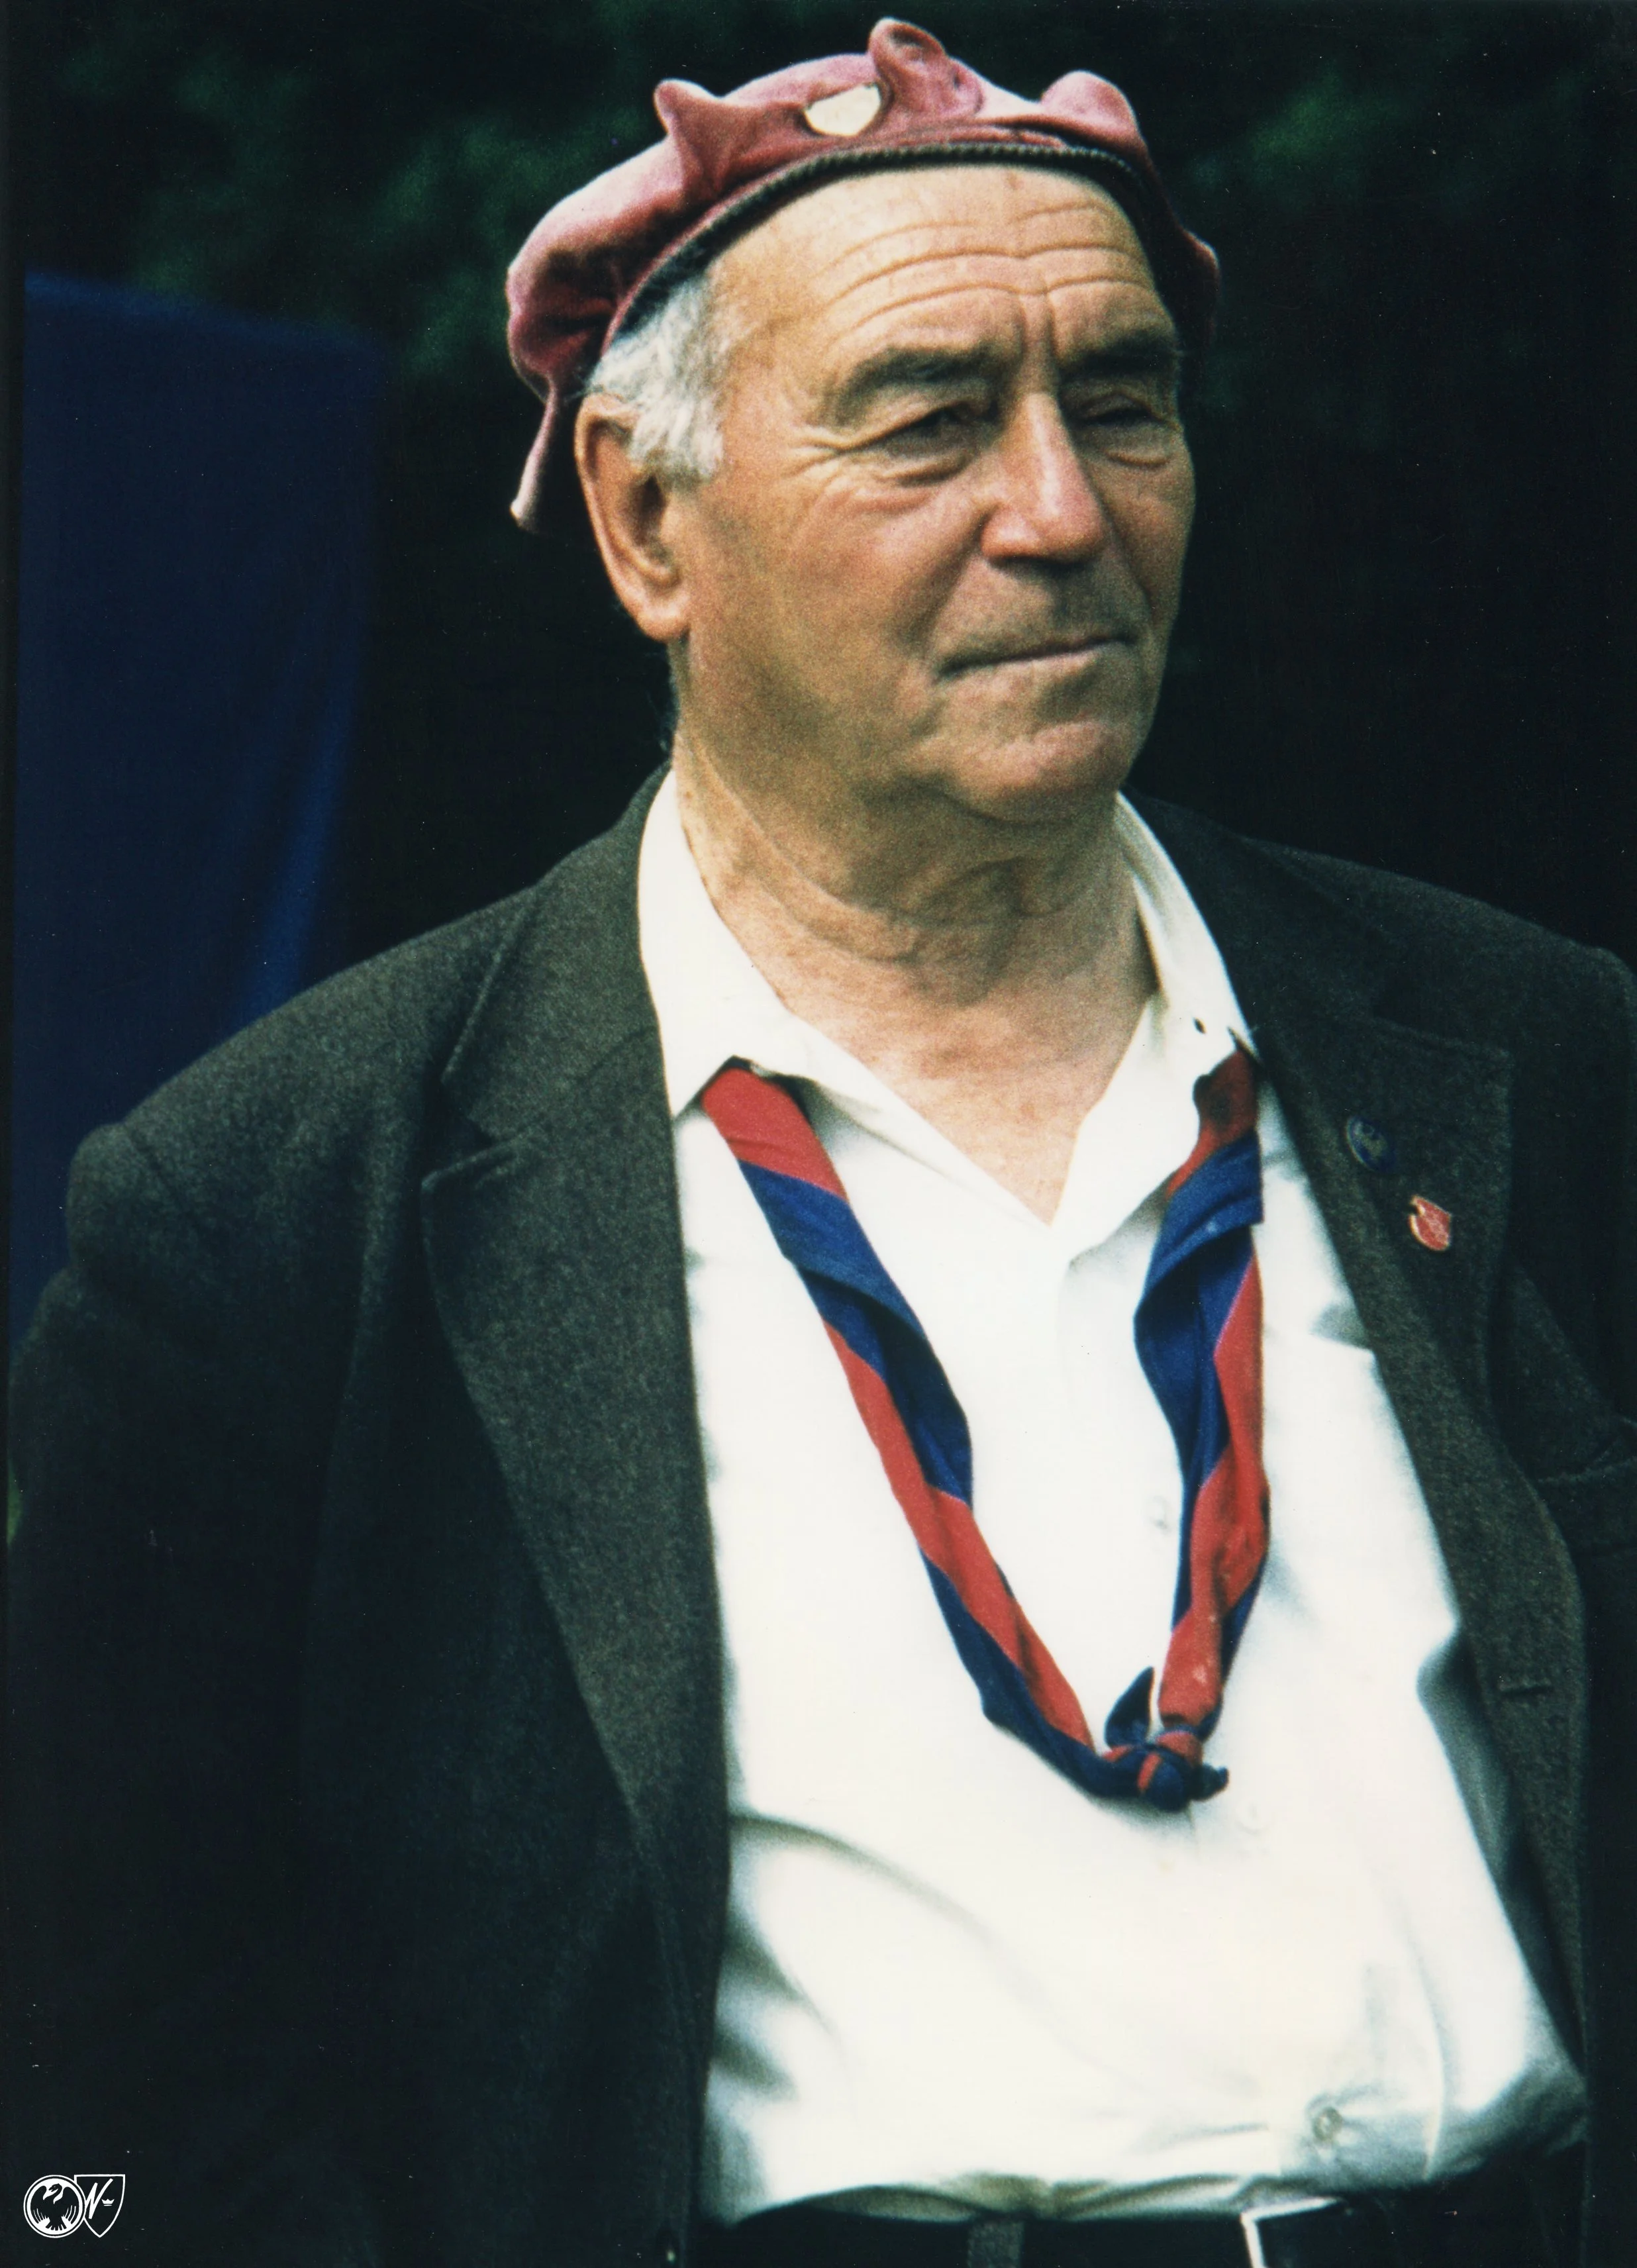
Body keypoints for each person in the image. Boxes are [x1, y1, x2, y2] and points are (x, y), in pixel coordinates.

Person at [9, 21, 1636, 2268]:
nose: (1060, 513)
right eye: (928, 418)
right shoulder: (284, 1207)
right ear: (645, 522)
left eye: (1124, 402)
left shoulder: (1526, 1050)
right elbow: (99, 2100)